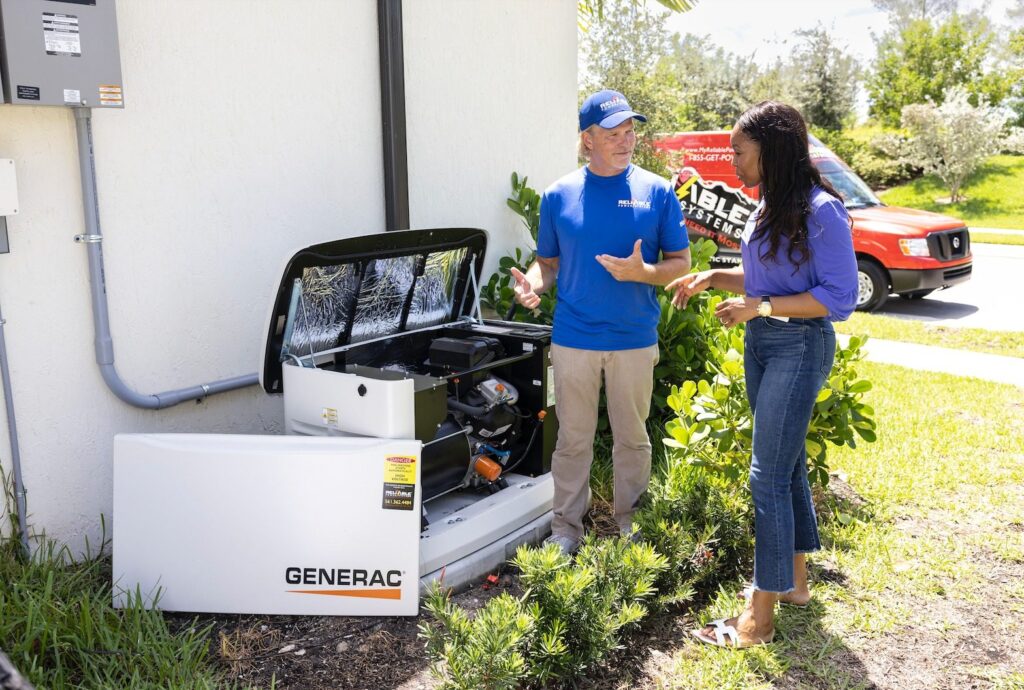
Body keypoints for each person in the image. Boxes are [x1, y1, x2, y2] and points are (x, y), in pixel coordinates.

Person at [668, 101, 858, 648]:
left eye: (739, 152)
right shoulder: (769, 205)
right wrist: (712, 276)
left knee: (766, 476)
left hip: (799, 347)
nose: (733, 162)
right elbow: (759, 278)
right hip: (765, 346)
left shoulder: (822, 211)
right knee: (787, 464)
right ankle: (795, 583)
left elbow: (839, 298)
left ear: (771, 151)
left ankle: (759, 618)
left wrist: (762, 308)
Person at [509, 89, 692, 555]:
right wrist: (532, 285)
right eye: (613, 133)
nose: (626, 140)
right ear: (587, 139)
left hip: (633, 339)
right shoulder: (557, 195)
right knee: (572, 441)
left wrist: (643, 273)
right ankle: (567, 528)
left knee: (633, 439)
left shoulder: (657, 191)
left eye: (630, 131)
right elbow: (547, 264)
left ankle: (632, 525)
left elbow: (681, 263)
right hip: (574, 339)